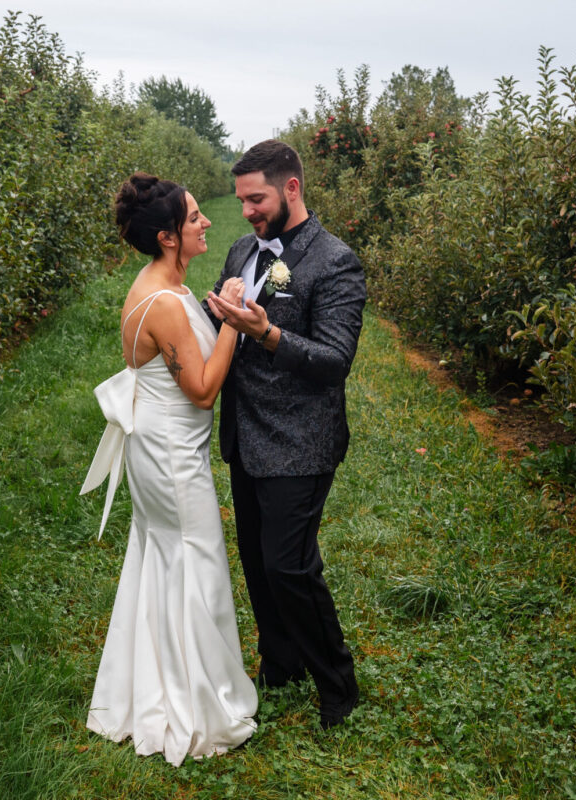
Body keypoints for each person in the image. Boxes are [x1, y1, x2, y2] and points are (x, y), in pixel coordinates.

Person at [80, 173, 257, 765]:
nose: (206, 222)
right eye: (194, 218)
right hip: (173, 459)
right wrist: (232, 321)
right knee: (195, 556)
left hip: (160, 446)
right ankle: (198, 702)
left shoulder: (162, 286)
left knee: (164, 557)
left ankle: (157, 682)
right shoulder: (162, 302)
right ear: (167, 237)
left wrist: (214, 306)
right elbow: (204, 390)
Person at [203, 140, 366, 730]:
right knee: (256, 558)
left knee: (290, 566)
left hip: (300, 437)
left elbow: (334, 359)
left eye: (256, 198)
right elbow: (223, 325)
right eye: (242, 198)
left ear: (291, 188)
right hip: (246, 433)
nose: (246, 209)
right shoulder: (242, 249)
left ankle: (338, 684)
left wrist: (268, 334)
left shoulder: (334, 260)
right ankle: (280, 662)